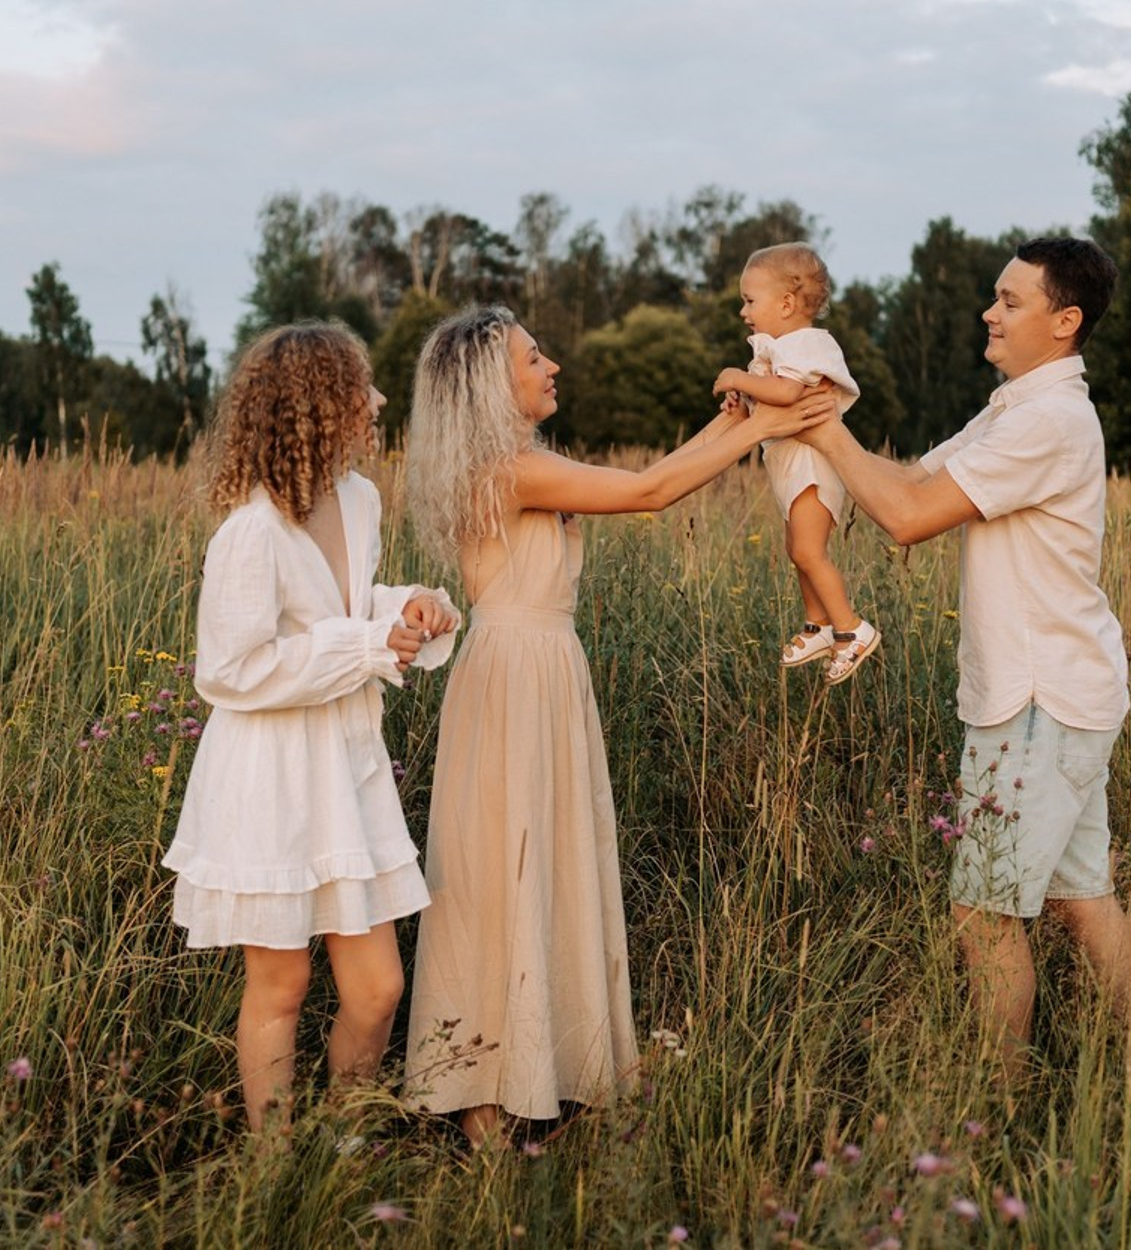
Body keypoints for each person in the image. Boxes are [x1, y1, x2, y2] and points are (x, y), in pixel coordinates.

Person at [401, 305, 835, 1147]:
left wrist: (741, 417)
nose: (553, 364)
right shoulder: (507, 471)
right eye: (535, 357)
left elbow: (657, 478)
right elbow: (647, 492)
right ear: (496, 384)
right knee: (503, 870)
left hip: (545, 671)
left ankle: (535, 1077)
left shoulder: (525, 461)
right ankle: (487, 1098)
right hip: (514, 678)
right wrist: (764, 424)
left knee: (544, 863)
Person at [796, 238, 1131, 1073]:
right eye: (995, 295)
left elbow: (910, 519)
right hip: (1056, 694)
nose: (990, 311)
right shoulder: (1014, 406)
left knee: (983, 914)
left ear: (1065, 322)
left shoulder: (1052, 419)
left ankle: (999, 1100)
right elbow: (913, 483)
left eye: (1011, 301)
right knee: (1080, 898)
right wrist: (812, 433)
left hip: (1038, 701)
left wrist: (822, 427)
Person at [162, 321, 460, 1134]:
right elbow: (231, 670)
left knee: (377, 989)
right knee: (281, 984)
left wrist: (406, 609)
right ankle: (273, 1166)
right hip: (271, 776)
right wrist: (366, 643)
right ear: (320, 403)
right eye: (362, 385)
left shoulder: (357, 498)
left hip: (345, 767)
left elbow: (345, 609)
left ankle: (344, 1145)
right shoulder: (251, 532)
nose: (379, 400)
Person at [712, 242, 879, 684]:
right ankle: (818, 625)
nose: (743, 311)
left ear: (786, 304)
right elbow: (771, 393)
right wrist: (744, 393)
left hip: (811, 465)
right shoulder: (781, 348)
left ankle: (851, 628)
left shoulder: (807, 344)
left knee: (809, 550)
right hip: (790, 467)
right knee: (796, 549)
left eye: (750, 300)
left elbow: (786, 394)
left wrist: (735, 376)